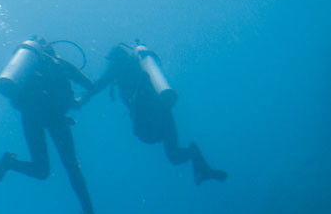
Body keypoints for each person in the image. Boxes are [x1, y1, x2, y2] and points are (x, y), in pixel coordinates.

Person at [0, 37, 129, 214]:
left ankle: (9, 162)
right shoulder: (61, 64)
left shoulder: (28, 74)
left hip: (32, 118)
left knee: (42, 171)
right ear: (51, 51)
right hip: (55, 119)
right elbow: (92, 87)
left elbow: (16, 100)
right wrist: (110, 74)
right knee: (73, 168)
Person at [79, 42, 227, 184]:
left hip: (147, 113)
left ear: (113, 60)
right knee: (173, 155)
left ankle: (198, 162)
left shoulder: (117, 66)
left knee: (149, 138)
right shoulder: (138, 64)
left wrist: (85, 97)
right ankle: (200, 162)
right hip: (163, 107)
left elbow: (100, 84)